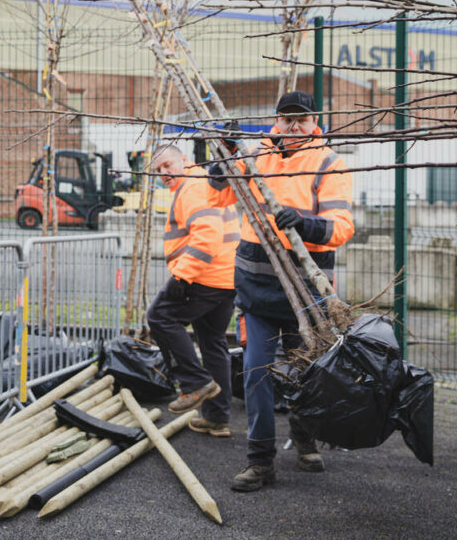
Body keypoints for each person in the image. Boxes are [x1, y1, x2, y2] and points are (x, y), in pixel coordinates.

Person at [205, 91, 354, 492]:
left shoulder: (329, 162)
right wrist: (224, 148)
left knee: (306, 372)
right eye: (287, 119)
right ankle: (260, 461)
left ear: (313, 122)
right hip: (257, 290)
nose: (293, 127)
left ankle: (304, 437)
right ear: (277, 120)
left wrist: (304, 222)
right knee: (256, 371)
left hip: (307, 293)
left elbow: (341, 226)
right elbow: (218, 189)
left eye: (301, 120)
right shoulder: (256, 156)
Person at [145, 143, 240, 437]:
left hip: (205, 276)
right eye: (158, 170)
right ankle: (217, 418)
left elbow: (208, 237)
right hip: (225, 277)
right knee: (212, 342)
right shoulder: (199, 183)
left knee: (159, 317)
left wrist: (182, 277)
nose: (164, 173)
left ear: (184, 161)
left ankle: (194, 384)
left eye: (168, 165)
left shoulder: (193, 187)